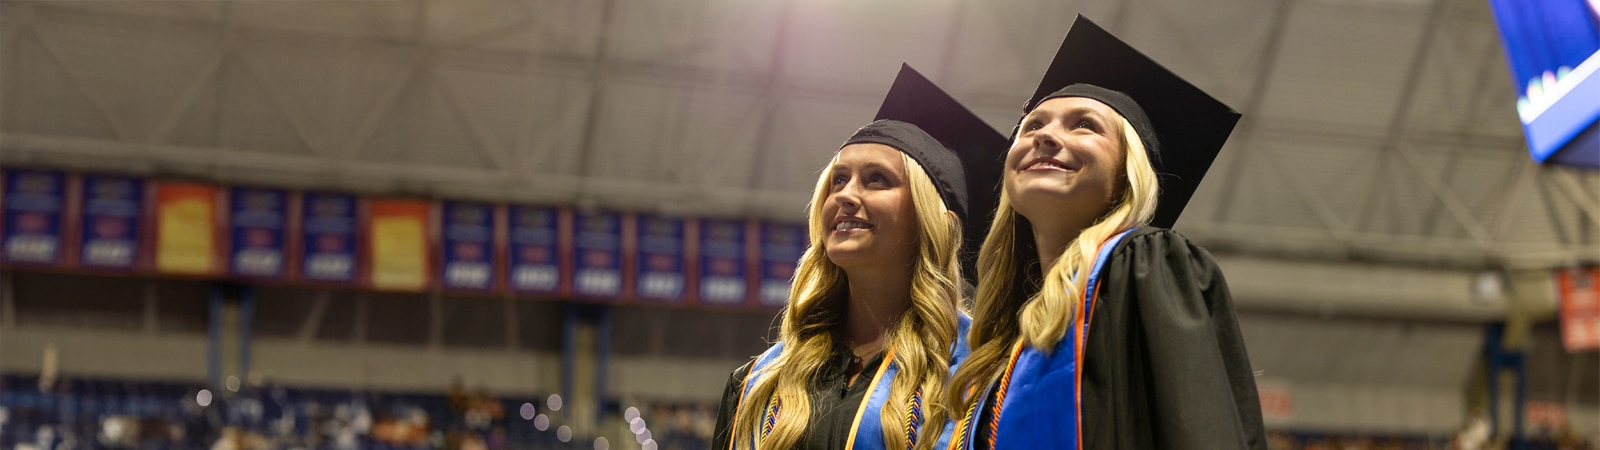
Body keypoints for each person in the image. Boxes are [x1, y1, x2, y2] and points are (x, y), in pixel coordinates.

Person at [937, 16, 1266, 450]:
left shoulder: (1145, 267)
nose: (1046, 136)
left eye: (1084, 124)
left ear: (1126, 173)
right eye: (1033, 125)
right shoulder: (1000, 342)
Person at [713, 65, 1007, 450]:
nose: (846, 195)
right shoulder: (757, 382)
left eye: (877, 179)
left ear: (933, 221)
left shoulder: (982, 376)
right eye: (838, 180)